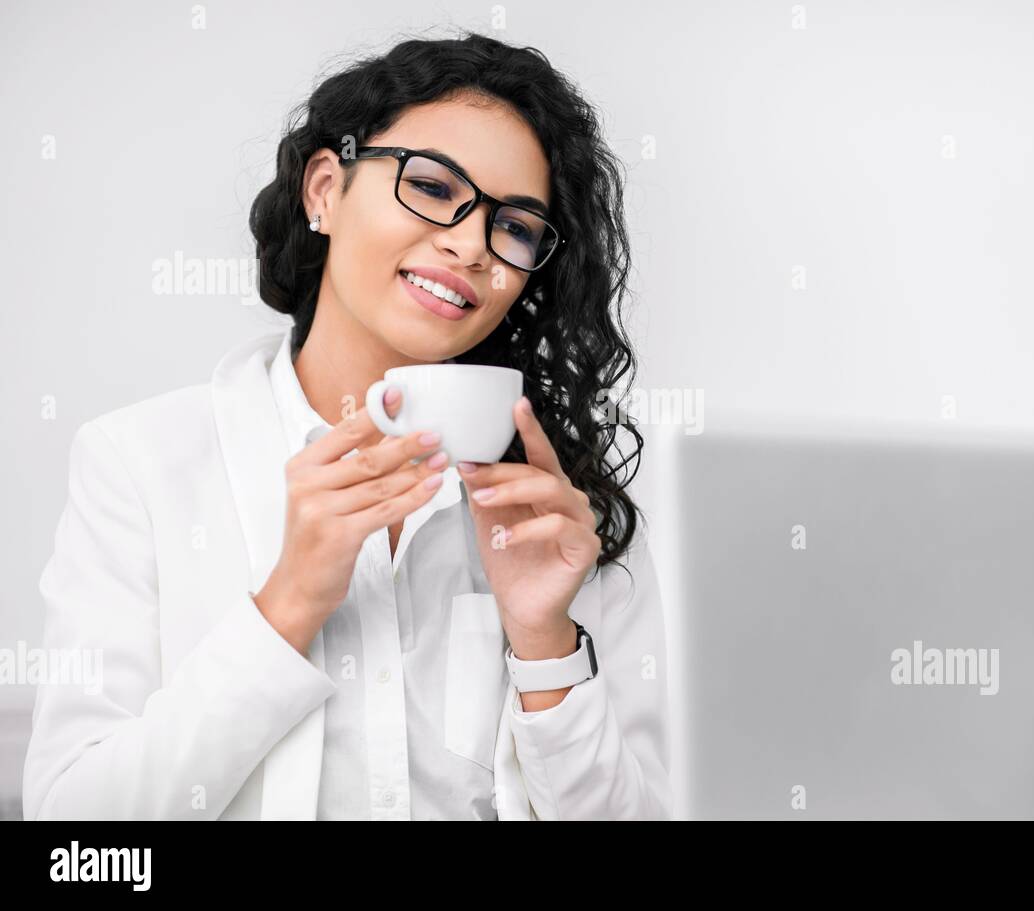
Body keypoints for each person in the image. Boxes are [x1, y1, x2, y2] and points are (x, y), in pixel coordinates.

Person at [22, 30, 671, 820]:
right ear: (324, 189)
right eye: (433, 187)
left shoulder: (567, 516)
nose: (472, 245)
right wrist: (289, 603)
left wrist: (545, 643)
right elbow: (76, 842)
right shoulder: (140, 465)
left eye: (516, 226)